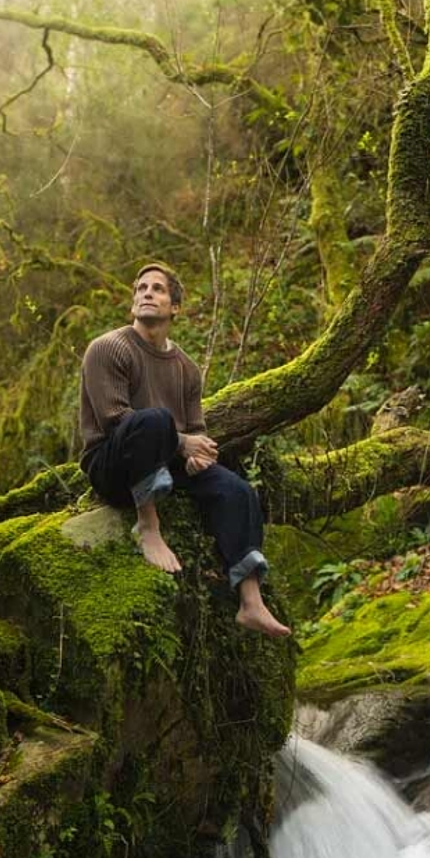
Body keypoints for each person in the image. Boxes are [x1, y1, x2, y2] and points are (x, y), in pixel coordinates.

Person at [78, 263, 290, 639]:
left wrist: (196, 456)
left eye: (157, 289)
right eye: (141, 288)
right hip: (112, 462)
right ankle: (148, 526)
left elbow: (197, 433)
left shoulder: (187, 369)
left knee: (236, 489)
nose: (146, 293)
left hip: (164, 461)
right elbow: (114, 419)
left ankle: (251, 601)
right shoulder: (108, 348)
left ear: (175, 307)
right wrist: (182, 442)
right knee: (154, 419)